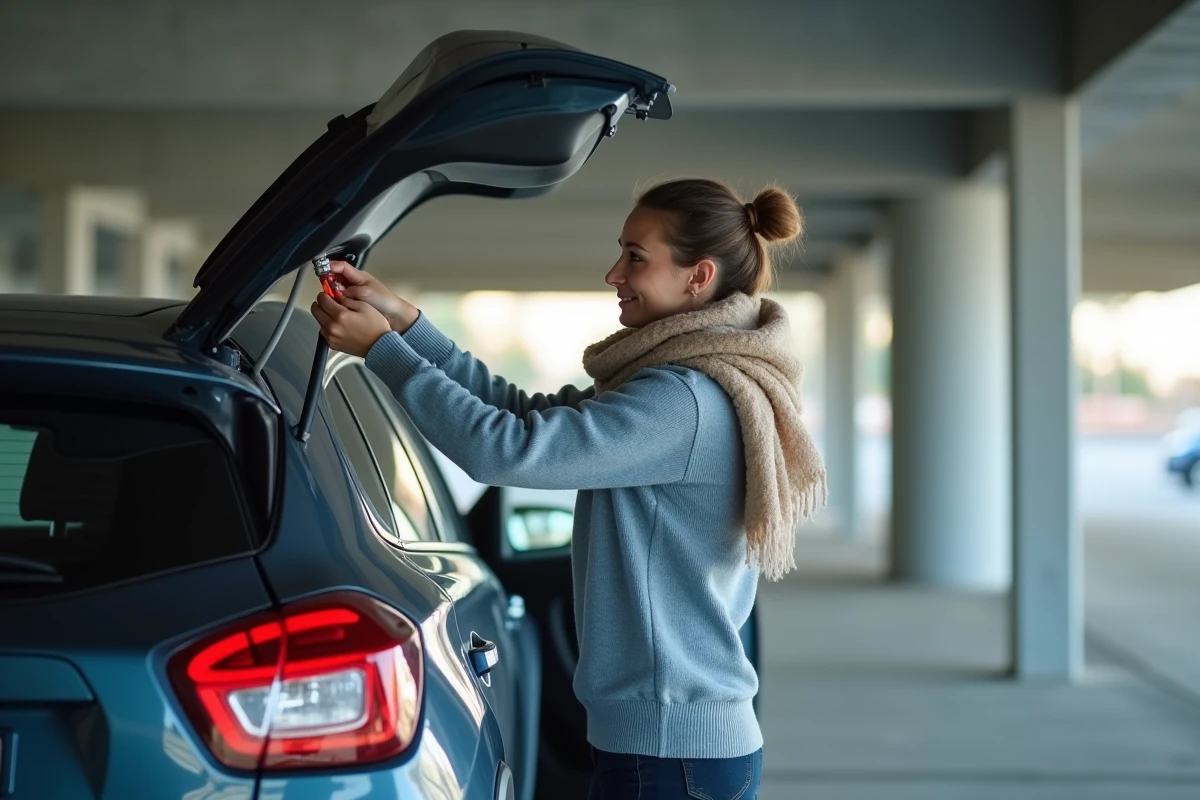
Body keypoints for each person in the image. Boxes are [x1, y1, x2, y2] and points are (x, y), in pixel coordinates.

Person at [311, 177, 827, 800]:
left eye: (636, 257)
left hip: (669, 751)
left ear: (698, 277)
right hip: (679, 745)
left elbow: (504, 449)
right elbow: (524, 414)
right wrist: (406, 324)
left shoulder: (682, 400)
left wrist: (382, 352)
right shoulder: (679, 382)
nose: (614, 273)